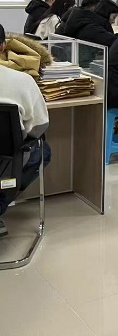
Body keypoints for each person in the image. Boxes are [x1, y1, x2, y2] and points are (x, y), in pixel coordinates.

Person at [0, 25, 52, 238]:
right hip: (5, 159)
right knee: (42, 151)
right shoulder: (22, 81)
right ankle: (3, 199)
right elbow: (40, 125)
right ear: (3, 46)